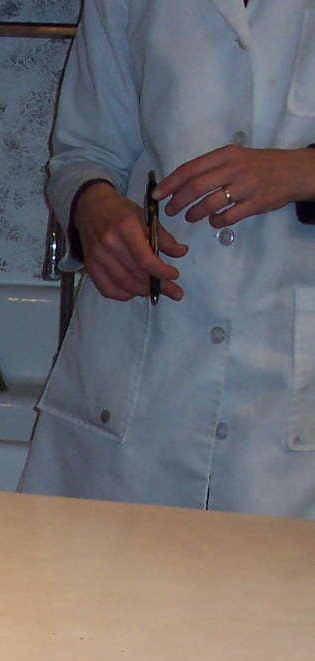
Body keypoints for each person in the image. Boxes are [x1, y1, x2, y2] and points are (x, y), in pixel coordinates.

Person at [20, 0, 315, 516]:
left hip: (287, 418)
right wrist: (95, 208)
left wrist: (302, 172)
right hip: (136, 396)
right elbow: (80, 154)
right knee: (86, 593)